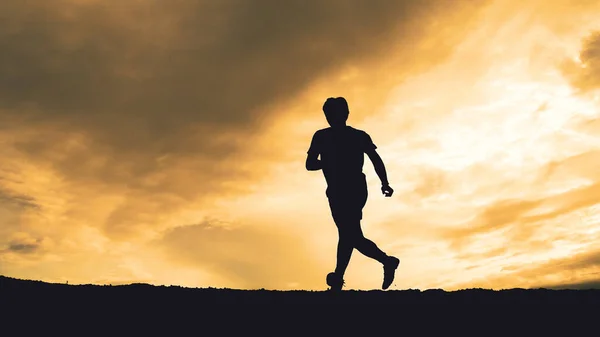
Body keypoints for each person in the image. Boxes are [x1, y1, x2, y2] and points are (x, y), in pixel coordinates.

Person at [306, 96, 400, 291]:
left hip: (354, 189)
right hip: (334, 191)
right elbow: (309, 164)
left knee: (349, 234)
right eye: (328, 114)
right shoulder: (320, 136)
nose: (332, 117)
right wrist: (328, 162)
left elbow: (375, 159)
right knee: (348, 234)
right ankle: (342, 276)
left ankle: (381, 262)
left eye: (335, 113)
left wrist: (385, 182)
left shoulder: (359, 136)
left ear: (346, 114)